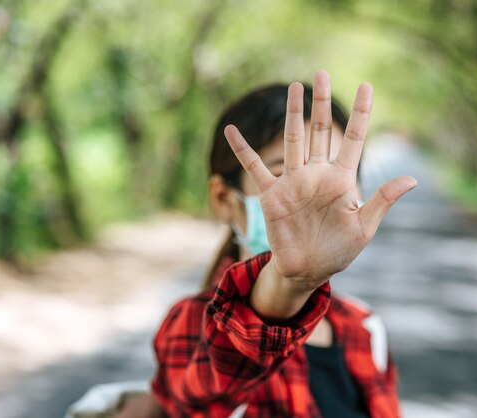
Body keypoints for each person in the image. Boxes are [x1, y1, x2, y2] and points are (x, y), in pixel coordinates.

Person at [117, 70, 417, 418]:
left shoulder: (364, 328)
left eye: (333, 177)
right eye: (283, 175)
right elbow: (211, 381)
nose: (312, 198)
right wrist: (292, 282)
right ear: (224, 199)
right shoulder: (192, 327)